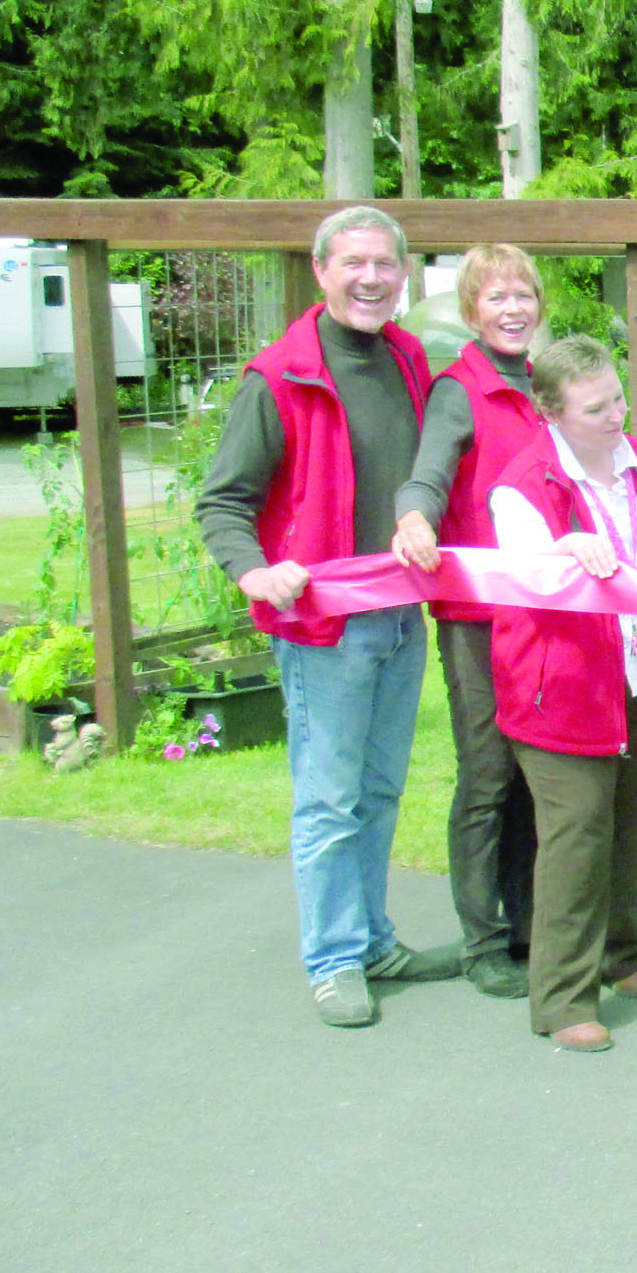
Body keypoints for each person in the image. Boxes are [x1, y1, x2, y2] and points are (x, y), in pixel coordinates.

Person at [196, 204, 458, 1029]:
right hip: (323, 627)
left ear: (403, 272)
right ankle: (333, 959)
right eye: (354, 264)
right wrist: (255, 570)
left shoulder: (409, 359)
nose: (372, 278)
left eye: (385, 264)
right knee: (328, 797)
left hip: (398, 616)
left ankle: (375, 940)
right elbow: (222, 503)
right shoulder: (279, 377)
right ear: (322, 271)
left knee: (380, 790)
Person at [487, 336, 637, 1054]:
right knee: (576, 837)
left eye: (619, 399)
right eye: (595, 407)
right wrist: (564, 552)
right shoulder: (522, 486)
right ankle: (561, 997)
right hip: (557, 692)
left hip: (636, 676)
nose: (615, 416)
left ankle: (619, 954)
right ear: (551, 412)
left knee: (629, 828)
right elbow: (526, 579)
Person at [391, 243, 545, 1000]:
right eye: (496, 298)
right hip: (478, 616)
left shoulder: (546, 387)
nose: (513, 309)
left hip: (547, 614)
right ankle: (480, 939)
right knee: (486, 773)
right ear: (472, 312)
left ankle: (526, 925)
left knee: (530, 774)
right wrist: (414, 518)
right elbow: (428, 473)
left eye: (523, 295)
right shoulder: (460, 391)